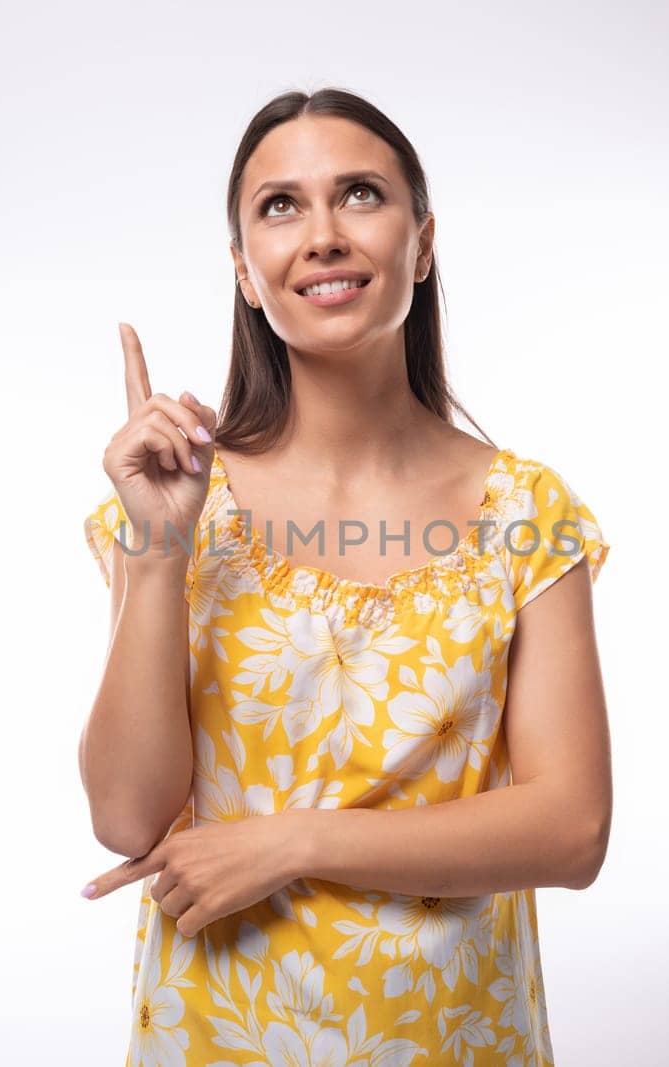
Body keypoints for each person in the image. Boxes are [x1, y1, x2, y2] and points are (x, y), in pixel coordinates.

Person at [78, 87, 612, 1066]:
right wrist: (158, 550)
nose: (320, 234)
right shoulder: (178, 502)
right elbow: (125, 815)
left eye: (359, 194)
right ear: (245, 270)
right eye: (280, 206)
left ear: (421, 242)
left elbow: (570, 824)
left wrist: (292, 840)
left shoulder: (526, 511)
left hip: (456, 1040)